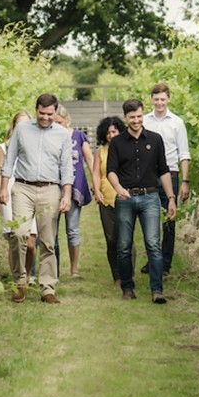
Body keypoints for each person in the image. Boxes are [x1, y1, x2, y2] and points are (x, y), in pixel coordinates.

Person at [0, 93, 73, 304]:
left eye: (50, 114)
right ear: (36, 110)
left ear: (55, 112)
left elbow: (67, 168)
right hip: (23, 187)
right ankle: (20, 282)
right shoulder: (22, 129)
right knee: (19, 233)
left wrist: (66, 194)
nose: (45, 118)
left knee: (48, 240)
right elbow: (9, 159)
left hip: (50, 189)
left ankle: (47, 287)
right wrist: (4, 188)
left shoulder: (62, 135)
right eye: (41, 113)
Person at [106, 98, 177, 304]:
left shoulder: (155, 140)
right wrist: (118, 189)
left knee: (153, 244)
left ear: (142, 114)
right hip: (126, 197)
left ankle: (157, 290)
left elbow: (163, 171)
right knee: (124, 245)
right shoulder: (117, 143)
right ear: (125, 118)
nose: (136, 121)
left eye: (139, 116)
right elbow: (111, 171)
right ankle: (127, 287)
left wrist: (170, 199)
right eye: (132, 118)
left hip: (150, 197)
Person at [142, 83, 191, 277]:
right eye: (156, 99)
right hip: (149, 175)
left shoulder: (177, 123)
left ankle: (165, 265)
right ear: (151, 100)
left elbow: (184, 154)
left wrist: (185, 182)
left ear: (168, 99)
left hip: (170, 174)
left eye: (163, 99)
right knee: (148, 218)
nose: (159, 102)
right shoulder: (144, 121)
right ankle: (153, 258)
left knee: (169, 222)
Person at [0, 111, 37, 281]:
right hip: (8, 192)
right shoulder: (4, 147)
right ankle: (18, 279)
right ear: (14, 126)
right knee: (13, 238)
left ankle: (27, 273)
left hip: (27, 191)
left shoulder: (34, 145)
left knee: (31, 242)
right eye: (20, 123)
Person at [53, 105, 94, 277]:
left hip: (75, 185)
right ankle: (52, 269)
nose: (57, 126)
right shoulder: (50, 136)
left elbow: (90, 158)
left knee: (72, 229)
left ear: (67, 119)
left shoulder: (78, 136)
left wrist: (95, 181)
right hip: (54, 185)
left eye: (60, 122)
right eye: (54, 122)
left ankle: (74, 268)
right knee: (51, 230)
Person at [91, 115, 127, 287]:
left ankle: (128, 274)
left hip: (125, 197)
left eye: (114, 131)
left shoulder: (128, 148)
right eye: (108, 133)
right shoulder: (100, 152)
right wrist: (96, 190)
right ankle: (117, 276)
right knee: (111, 239)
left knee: (125, 239)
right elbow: (96, 173)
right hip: (107, 198)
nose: (111, 135)